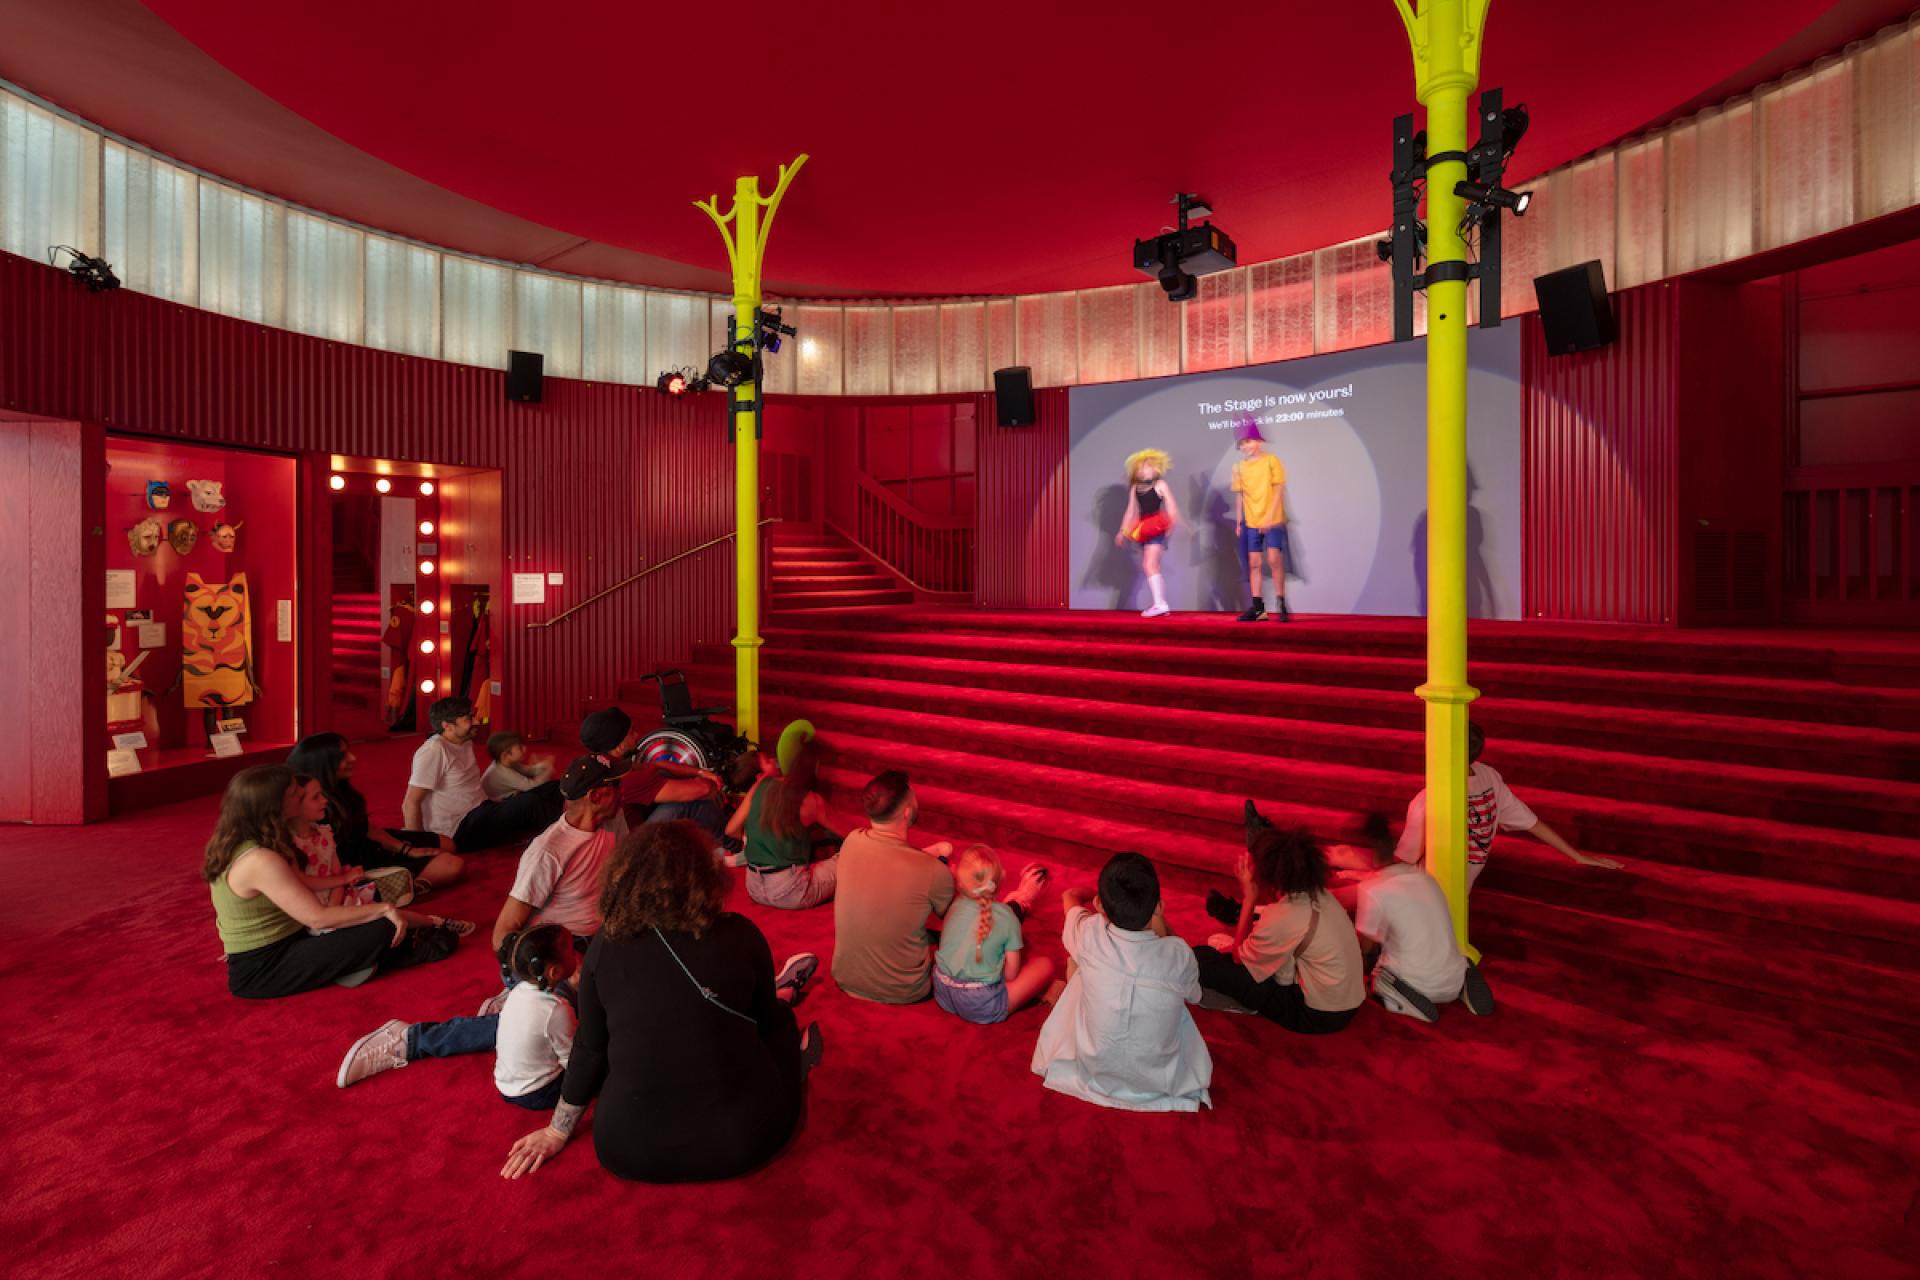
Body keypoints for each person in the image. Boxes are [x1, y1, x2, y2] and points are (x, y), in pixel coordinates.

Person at [499, 822, 824, 1184]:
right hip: (745, 1139)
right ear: (707, 878)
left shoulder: (603, 948)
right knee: (778, 1017)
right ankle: (790, 1013)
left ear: (623, 880)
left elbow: (590, 1048)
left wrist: (557, 1131)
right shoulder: (741, 934)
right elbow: (764, 1024)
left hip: (627, 1148)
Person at [206, 765, 459, 999]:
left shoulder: (251, 841)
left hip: (289, 940)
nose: (301, 795)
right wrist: (384, 909)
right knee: (382, 926)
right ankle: (364, 962)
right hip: (264, 967)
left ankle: (362, 961)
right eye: (296, 793)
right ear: (275, 805)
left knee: (370, 919)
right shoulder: (261, 858)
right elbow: (316, 918)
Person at [1031, 851, 1212, 1112]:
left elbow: (1069, 898)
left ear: (1099, 905)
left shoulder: (1091, 932)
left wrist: (1087, 897)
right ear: (1159, 907)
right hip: (1157, 1077)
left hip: (1094, 1064)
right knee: (1174, 996)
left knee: (1079, 964)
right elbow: (1194, 996)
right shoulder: (1179, 955)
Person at [335, 925, 581, 1105]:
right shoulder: (545, 859)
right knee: (551, 1024)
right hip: (538, 969)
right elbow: (504, 931)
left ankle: (510, 1007)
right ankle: (412, 1039)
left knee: (535, 1022)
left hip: (544, 980)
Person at [1393, 722, 1624, 890]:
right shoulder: (1488, 776)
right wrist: (1576, 855)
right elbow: (1532, 822)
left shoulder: (1427, 800)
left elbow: (1405, 859)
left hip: (1423, 893)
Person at [1196, 826, 1366, 1034]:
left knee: (1202, 961)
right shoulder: (1320, 895)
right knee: (1226, 958)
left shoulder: (1284, 915)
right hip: (1347, 1003)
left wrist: (1250, 898)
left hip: (1318, 1015)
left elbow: (1239, 959)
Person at [285, 773, 473, 935]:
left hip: (339, 895)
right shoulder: (290, 844)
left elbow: (336, 871)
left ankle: (435, 922)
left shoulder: (325, 832)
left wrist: (340, 892)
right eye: (316, 797)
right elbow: (305, 882)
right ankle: (430, 925)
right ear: (295, 806)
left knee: (384, 913)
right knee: (379, 919)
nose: (325, 800)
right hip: (317, 907)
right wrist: (340, 889)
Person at [831, 770, 959, 1004]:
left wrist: (930, 855)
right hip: (904, 990)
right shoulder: (932, 872)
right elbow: (953, 918)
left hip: (846, 978)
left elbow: (890, 861)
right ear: (907, 812)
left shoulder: (851, 840)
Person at [1349, 826, 1494, 1022]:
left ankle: (1403, 996)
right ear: (1394, 847)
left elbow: (1364, 949)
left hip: (1417, 983)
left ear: (1369, 855)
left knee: (1376, 971)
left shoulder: (1373, 889)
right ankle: (1462, 979)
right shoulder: (1427, 879)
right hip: (1453, 978)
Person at [286, 733, 463, 891]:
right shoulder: (309, 806)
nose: (353, 758)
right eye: (343, 756)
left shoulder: (339, 788)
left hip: (367, 842)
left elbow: (364, 826)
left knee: (448, 844)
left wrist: (404, 849)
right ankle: (391, 889)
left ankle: (399, 885)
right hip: (355, 860)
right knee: (451, 866)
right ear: (323, 765)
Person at [489, 756, 625, 957]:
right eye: (616, 786)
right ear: (595, 797)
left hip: (602, 934)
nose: (622, 792)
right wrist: (560, 963)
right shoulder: (547, 852)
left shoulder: (611, 822)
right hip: (564, 945)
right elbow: (502, 934)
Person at [404, 696, 563, 852]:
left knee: (554, 788)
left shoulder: (464, 741)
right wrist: (419, 847)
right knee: (530, 803)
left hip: (483, 809)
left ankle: (570, 819)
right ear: (447, 726)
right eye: (468, 719)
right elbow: (410, 802)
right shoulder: (434, 750)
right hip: (460, 828)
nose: (476, 722)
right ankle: (574, 828)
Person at [933, 845, 1055, 1024]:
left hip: (942, 990)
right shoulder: (1006, 917)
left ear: (959, 881)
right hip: (981, 1004)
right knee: (1045, 965)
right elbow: (1011, 975)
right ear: (1001, 879)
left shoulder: (954, 905)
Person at [578, 706, 730, 842]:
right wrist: (712, 784)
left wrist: (700, 772)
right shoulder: (630, 776)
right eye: (631, 732)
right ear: (617, 744)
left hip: (618, 834)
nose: (637, 735)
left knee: (666, 776)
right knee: (692, 802)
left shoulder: (598, 764)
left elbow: (657, 764)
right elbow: (704, 789)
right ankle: (734, 844)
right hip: (632, 844)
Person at [728, 739, 841, 909]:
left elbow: (730, 829)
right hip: (790, 890)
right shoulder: (808, 799)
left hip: (754, 888)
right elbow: (852, 833)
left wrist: (750, 840)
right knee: (848, 858)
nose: (774, 761)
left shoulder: (759, 788)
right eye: (768, 761)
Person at [1230, 419, 1290, 622]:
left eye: (1249, 441)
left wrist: (1270, 517)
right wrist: (1239, 521)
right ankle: (1258, 608)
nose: (1245, 446)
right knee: (1254, 563)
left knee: (1274, 560)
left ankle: (1281, 602)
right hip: (1251, 521)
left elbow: (1279, 489)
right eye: (1242, 444)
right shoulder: (1239, 467)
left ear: (1259, 441)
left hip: (1272, 520)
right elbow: (1240, 495)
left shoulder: (1272, 461)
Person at [1114, 448, 1180, 618]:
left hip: (1157, 527)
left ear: (1157, 469)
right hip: (1144, 529)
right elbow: (1130, 511)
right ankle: (1161, 603)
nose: (1147, 470)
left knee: (1149, 565)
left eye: (1150, 466)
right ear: (1137, 470)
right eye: (1143, 467)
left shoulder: (1160, 485)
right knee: (1152, 565)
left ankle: (1160, 604)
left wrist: (1169, 529)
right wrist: (1123, 531)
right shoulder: (1135, 488)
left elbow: (1172, 508)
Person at [482, 731, 553, 800]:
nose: (525, 749)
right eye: (520, 748)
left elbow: (527, 771)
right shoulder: (504, 773)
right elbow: (533, 787)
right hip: (499, 803)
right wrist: (548, 771)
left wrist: (542, 766)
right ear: (505, 755)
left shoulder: (506, 762)